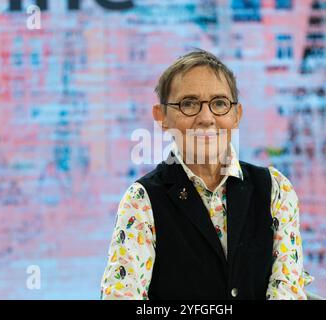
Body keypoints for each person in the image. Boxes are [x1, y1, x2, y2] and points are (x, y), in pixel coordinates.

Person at [100, 49, 314, 300]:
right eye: (188, 103)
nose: (206, 118)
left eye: (220, 103)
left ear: (236, 115)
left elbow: (286, 290)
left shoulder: (275, 189)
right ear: (162, 117)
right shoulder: (142, 201)